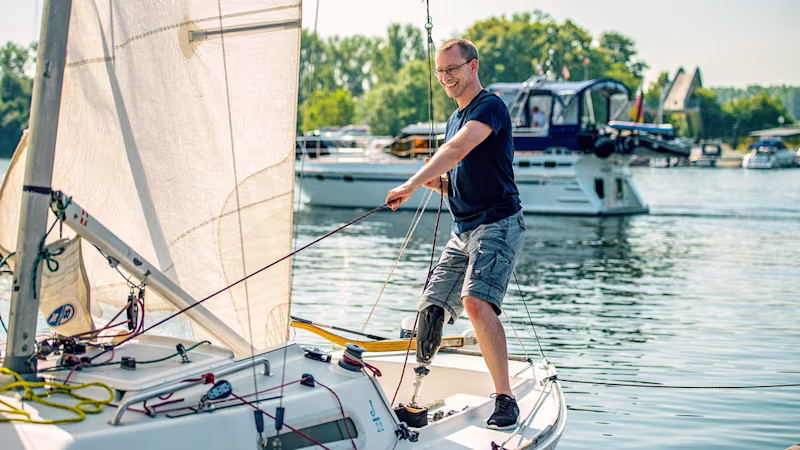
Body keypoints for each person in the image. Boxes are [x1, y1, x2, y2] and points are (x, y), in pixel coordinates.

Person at [385, 38, 525, 430]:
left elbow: (459, 148)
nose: (446, 78)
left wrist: (412, 183)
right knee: (429, 312)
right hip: (462, 231)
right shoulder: (453, 117)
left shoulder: (489, 107)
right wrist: (434, 184)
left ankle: (505, 399)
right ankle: (415, 394)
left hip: (498, 222)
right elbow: (458, 179)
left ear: (472, 67)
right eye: (440, 71)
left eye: (452, 69)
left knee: (475, 303)